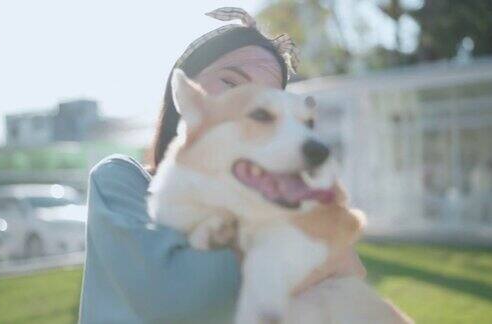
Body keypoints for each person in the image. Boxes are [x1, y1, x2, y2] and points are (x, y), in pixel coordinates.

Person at [79, 7, 365, 324]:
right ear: (187, 93)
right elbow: (177, 301)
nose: (248, 104)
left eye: (267, 104)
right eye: (232, 83)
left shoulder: (271, 207)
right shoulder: (119, 179)